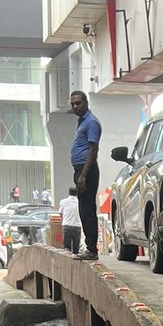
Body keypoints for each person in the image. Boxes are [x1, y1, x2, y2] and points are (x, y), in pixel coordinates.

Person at [69, 90, 102, 260]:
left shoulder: (91, 122)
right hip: (81, 170)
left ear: (86, 103)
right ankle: (89, 248)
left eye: (78, 103)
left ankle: (91, 249)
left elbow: (93, 149)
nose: (75, 106)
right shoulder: (82, 122)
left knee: (87, 210)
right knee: (83, 210)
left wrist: (83, 175)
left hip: (86, 171)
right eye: (73, 103)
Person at [59, 186, 82, 254]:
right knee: (76, 250)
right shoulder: (80, 202)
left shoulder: (63, 202)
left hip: (67, 226)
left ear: (68, 192)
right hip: (77, 227)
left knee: (66, 249)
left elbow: (60, 213)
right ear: (77, 193)